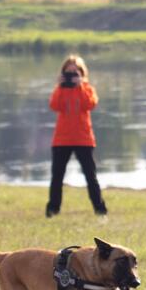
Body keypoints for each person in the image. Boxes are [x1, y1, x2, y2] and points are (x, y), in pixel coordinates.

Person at [45, 55, 108, 218]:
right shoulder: (60, 90)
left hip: (83, 139)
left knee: (90, 176)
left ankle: (100, 210)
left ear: (82, 73)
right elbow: (54, 105)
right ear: (63, 73)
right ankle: (52, 210)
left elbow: (90, 104)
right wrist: (60, 86)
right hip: (62, 139)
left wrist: (79, 86)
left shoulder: (87, 89)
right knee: (57, 177)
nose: (71, 76)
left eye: (75, 73)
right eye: (68, 72)